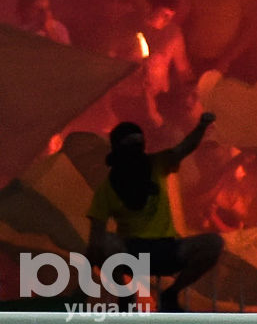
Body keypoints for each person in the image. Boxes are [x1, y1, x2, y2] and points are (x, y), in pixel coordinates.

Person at [86, 114, 223, 311]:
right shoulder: (106, 190)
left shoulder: (158, 164)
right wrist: (89, 277)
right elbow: (96, 239)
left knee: (213, 243)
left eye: (137, 144)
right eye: (129, 145)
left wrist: (201, 127)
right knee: (104, 242)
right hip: (131, 252)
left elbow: (184, 148)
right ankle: (126, 296)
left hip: (166, 250)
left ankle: (170, 294)